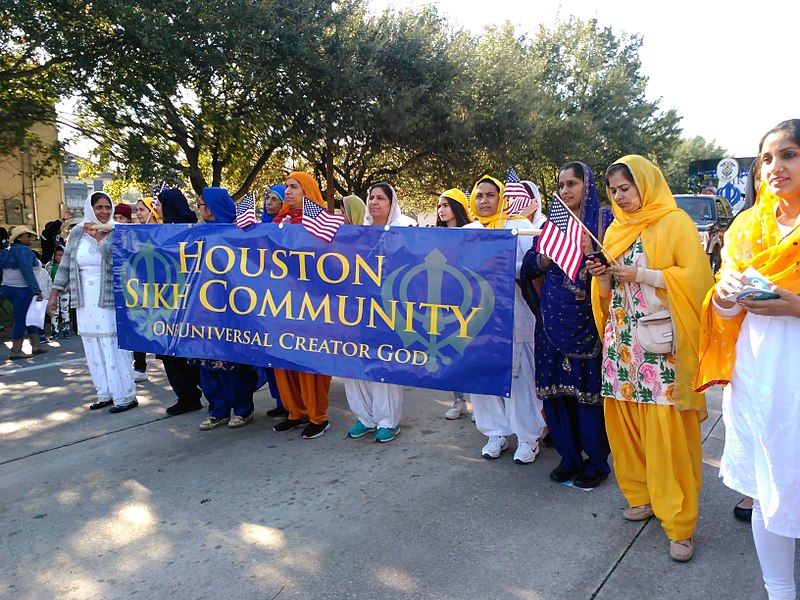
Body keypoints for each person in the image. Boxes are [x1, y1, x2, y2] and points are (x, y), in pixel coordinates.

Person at [588, 155, 713, 562]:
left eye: (627, 188)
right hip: (622, 343)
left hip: (661, 347)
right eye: (614, 190)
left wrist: (642, 275)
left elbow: (697, 282)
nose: (621, 197)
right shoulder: (614, 229)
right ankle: (640, 495)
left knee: (667, 434)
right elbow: (609, 293)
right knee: (625, 425)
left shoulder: (674, 222)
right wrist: (601, 274)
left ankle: (679, 524)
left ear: (646, 183)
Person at [694, 119, 800, 598]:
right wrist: (725, 294)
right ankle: (778, 590)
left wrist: (793, 303)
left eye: (790, 155)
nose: (775, 167)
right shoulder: (745, 226)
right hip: (758, 374)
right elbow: (721, 308)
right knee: (767, 485)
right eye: (767, 158)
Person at [521, 162, 613, 487]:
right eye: (561, 185)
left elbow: (615, 266)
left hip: (587, 323)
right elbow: (529, 265)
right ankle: (569, 457)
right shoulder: (552, 225)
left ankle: (596, 463)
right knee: (556, 395)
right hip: (550, 322)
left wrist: (595, 256)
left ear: (586, 185)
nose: (565, 191)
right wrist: (544, 259)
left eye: (572, 183)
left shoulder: (603, 221)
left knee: (587, 397)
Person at [466, 175, 546, 463]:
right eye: (479, 196)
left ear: (502, 199)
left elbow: (532, 268)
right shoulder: (467, 231)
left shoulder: (520, 228)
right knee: (483, 372)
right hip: (479, 317)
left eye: (490, 195)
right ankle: (496, 431)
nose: (484, 201)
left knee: (521, 374)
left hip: (517, 313)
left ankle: (528, 437)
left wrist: (496, 268)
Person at [48, 192, 139, 413]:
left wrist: (100, 237)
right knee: (92, 345)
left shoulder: (118, 231)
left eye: (108, 207)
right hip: (84, 299)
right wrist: (54, 294)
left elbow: (119, 260)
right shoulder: (77, 233)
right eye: (99, 207)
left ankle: (125, 395)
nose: (104, 212)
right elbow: (66, 266)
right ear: (90, 208)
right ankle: (104, 392)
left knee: (112, 345)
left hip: (109, 297)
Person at [343, 182, 409, 443]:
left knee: (383, 364)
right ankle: (365, 417)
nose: (374, 202)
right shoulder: (357, 233)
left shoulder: (404, 230)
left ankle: (387, 421)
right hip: (356, 309)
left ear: (391, 203)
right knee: (354, 364)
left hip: (387, 309)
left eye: (381, 198)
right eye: (371, 197)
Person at [191, 187, 261, 430]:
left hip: (233, 310)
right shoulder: (196, 233)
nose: (199, 209)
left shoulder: (239, 232)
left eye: (200, 205)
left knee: (233, 363)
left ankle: (242, 408)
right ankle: (217, 409)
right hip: (203, 309)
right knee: (207, 363)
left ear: (210, 207)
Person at [270, 172, 333, 439]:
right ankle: (295, 412)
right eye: (286, 187)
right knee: (284, 360)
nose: (288, 191)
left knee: (309, 361)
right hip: (279, 304)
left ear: (307, 191)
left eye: (294, 187)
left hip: (311, 306)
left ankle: (318, 416)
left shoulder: (321, 222)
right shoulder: (277, 222)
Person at [155, 188, 205, 416]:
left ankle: (208, 393)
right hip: (168, 302)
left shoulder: (193, 231)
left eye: (160, 204)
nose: (157, 208)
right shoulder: (158, 232)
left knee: (192, 351)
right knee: (169, 350)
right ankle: (187, 396)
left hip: (193, 302)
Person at [435, 188, 474, 420]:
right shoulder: (436, 237)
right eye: (439, 205)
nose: (441, 210)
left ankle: (480, 402)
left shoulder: (473, 234)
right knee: (449, 352)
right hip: (443, 302)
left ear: (457, 207)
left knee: (470, 351)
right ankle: (459, 401)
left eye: (446, 205)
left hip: (468, 302)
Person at [1, 226, 48, 359]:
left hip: (7, 288)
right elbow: (27, 271)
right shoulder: (25, 251)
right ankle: (16, 350)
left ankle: (36, 346)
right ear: (19, 237)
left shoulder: (5, 251)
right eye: (28, 235)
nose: (31, 238)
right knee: (21, 319)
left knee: (29, 315)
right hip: (22, 289)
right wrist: (36, 290)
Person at [45, 246, 71, 339]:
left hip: (64, 291)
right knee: (54, 312)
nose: (58, 257)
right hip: (53, 292)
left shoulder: (67, 266)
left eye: (61, 255)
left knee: (65, 311)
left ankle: (66, 329)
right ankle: (54, 330)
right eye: (57, 255)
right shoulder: (49, 266)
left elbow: (70, 277)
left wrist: (69, 287)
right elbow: (47, 278)